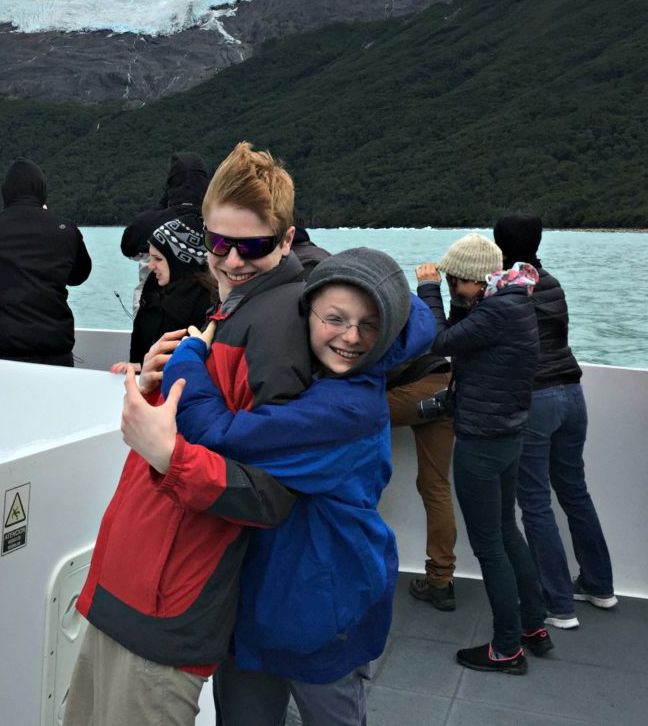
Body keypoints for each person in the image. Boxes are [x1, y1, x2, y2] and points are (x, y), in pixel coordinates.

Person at [65, 142, 314, 726]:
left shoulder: (278, 329)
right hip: (127, 590)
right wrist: (155, 383)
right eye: (217, 242)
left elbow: (272, 493)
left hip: (166, 610)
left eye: (250, 246)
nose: (229, 261)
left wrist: (167, 454)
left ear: (285, 238)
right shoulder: (230, 313)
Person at [162, 247, 436, 726]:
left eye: (369, 325)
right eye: (335, 318)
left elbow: (218, 435)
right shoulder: (316, 376)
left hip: (322, 609)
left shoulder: (345, 410)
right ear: (305, 313)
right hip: (262, 596)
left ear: (388, 329)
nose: (351, 337)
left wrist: (187, 358)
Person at [416, 233, 551, 675]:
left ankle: (507, 648)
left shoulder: (494, 312)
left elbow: (439, 341)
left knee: (490, 546)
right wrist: (453, 297)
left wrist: (429, 290)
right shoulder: (513, 302)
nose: (452, 285)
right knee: (508, 532)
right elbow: (463, 335)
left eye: (456, 279)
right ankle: (533, 626)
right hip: (510, 435)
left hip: (481, 440)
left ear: (473, 279)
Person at [493, 213, 616, 629]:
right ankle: (599, 586)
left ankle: (558, 602)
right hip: (572, 393)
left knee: (534, 501)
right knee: (574, 492)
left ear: (499, 246)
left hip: (537, 398)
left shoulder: (508, 289)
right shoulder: (553, 284)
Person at [0, 158, 91, 366]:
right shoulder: (66, 230)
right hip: (58, 354)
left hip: (4, 355)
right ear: (42, 191)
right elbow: (79, 276)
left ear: (5, 193)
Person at [386, 349, 458, 611]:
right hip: (445, 383)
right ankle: (441, 580)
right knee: (436, 487)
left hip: (410, 388)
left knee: (341, 417)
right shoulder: (425, 314)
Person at [121, 151, 209, 311]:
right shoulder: (217, 221)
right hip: (203, 311)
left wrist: (164, 202)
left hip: (152, 311)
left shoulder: (151, 221)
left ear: (171, 182)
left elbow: (128, 247)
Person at [128, 216, 216, 365]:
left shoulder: (207, 305)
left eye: (158, 259)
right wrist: (136, 367)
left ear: (181, 261)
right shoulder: (151, 293)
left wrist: (144, 367)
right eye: (150, 257)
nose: (150, 265)